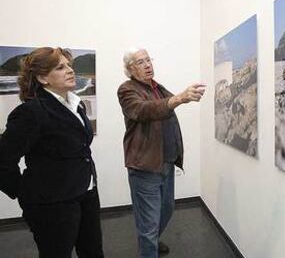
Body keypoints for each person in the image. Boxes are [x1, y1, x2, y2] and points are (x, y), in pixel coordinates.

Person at [0, 47, 104, 258]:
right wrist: (24, 192)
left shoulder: (77, 105)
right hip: (52, 205)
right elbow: (3, 160)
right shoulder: (31, 112)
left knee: (93, 253)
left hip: (87, 193)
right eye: (60, 67)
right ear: (42, 77)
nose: (70, 70)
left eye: (69, 65)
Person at [117, 48, 205, 258]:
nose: (147, 65)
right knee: (148, 222)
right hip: (145, 166)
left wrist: (186, 95)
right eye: (140, 62)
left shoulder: (156, 87)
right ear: (130, 68)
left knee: (166, 209)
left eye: (148, 60)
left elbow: (166, 104)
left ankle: (152, 241)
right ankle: (149, 247)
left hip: (165, 162)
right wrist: (179, 98)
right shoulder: (127, 89)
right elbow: (144, 110)